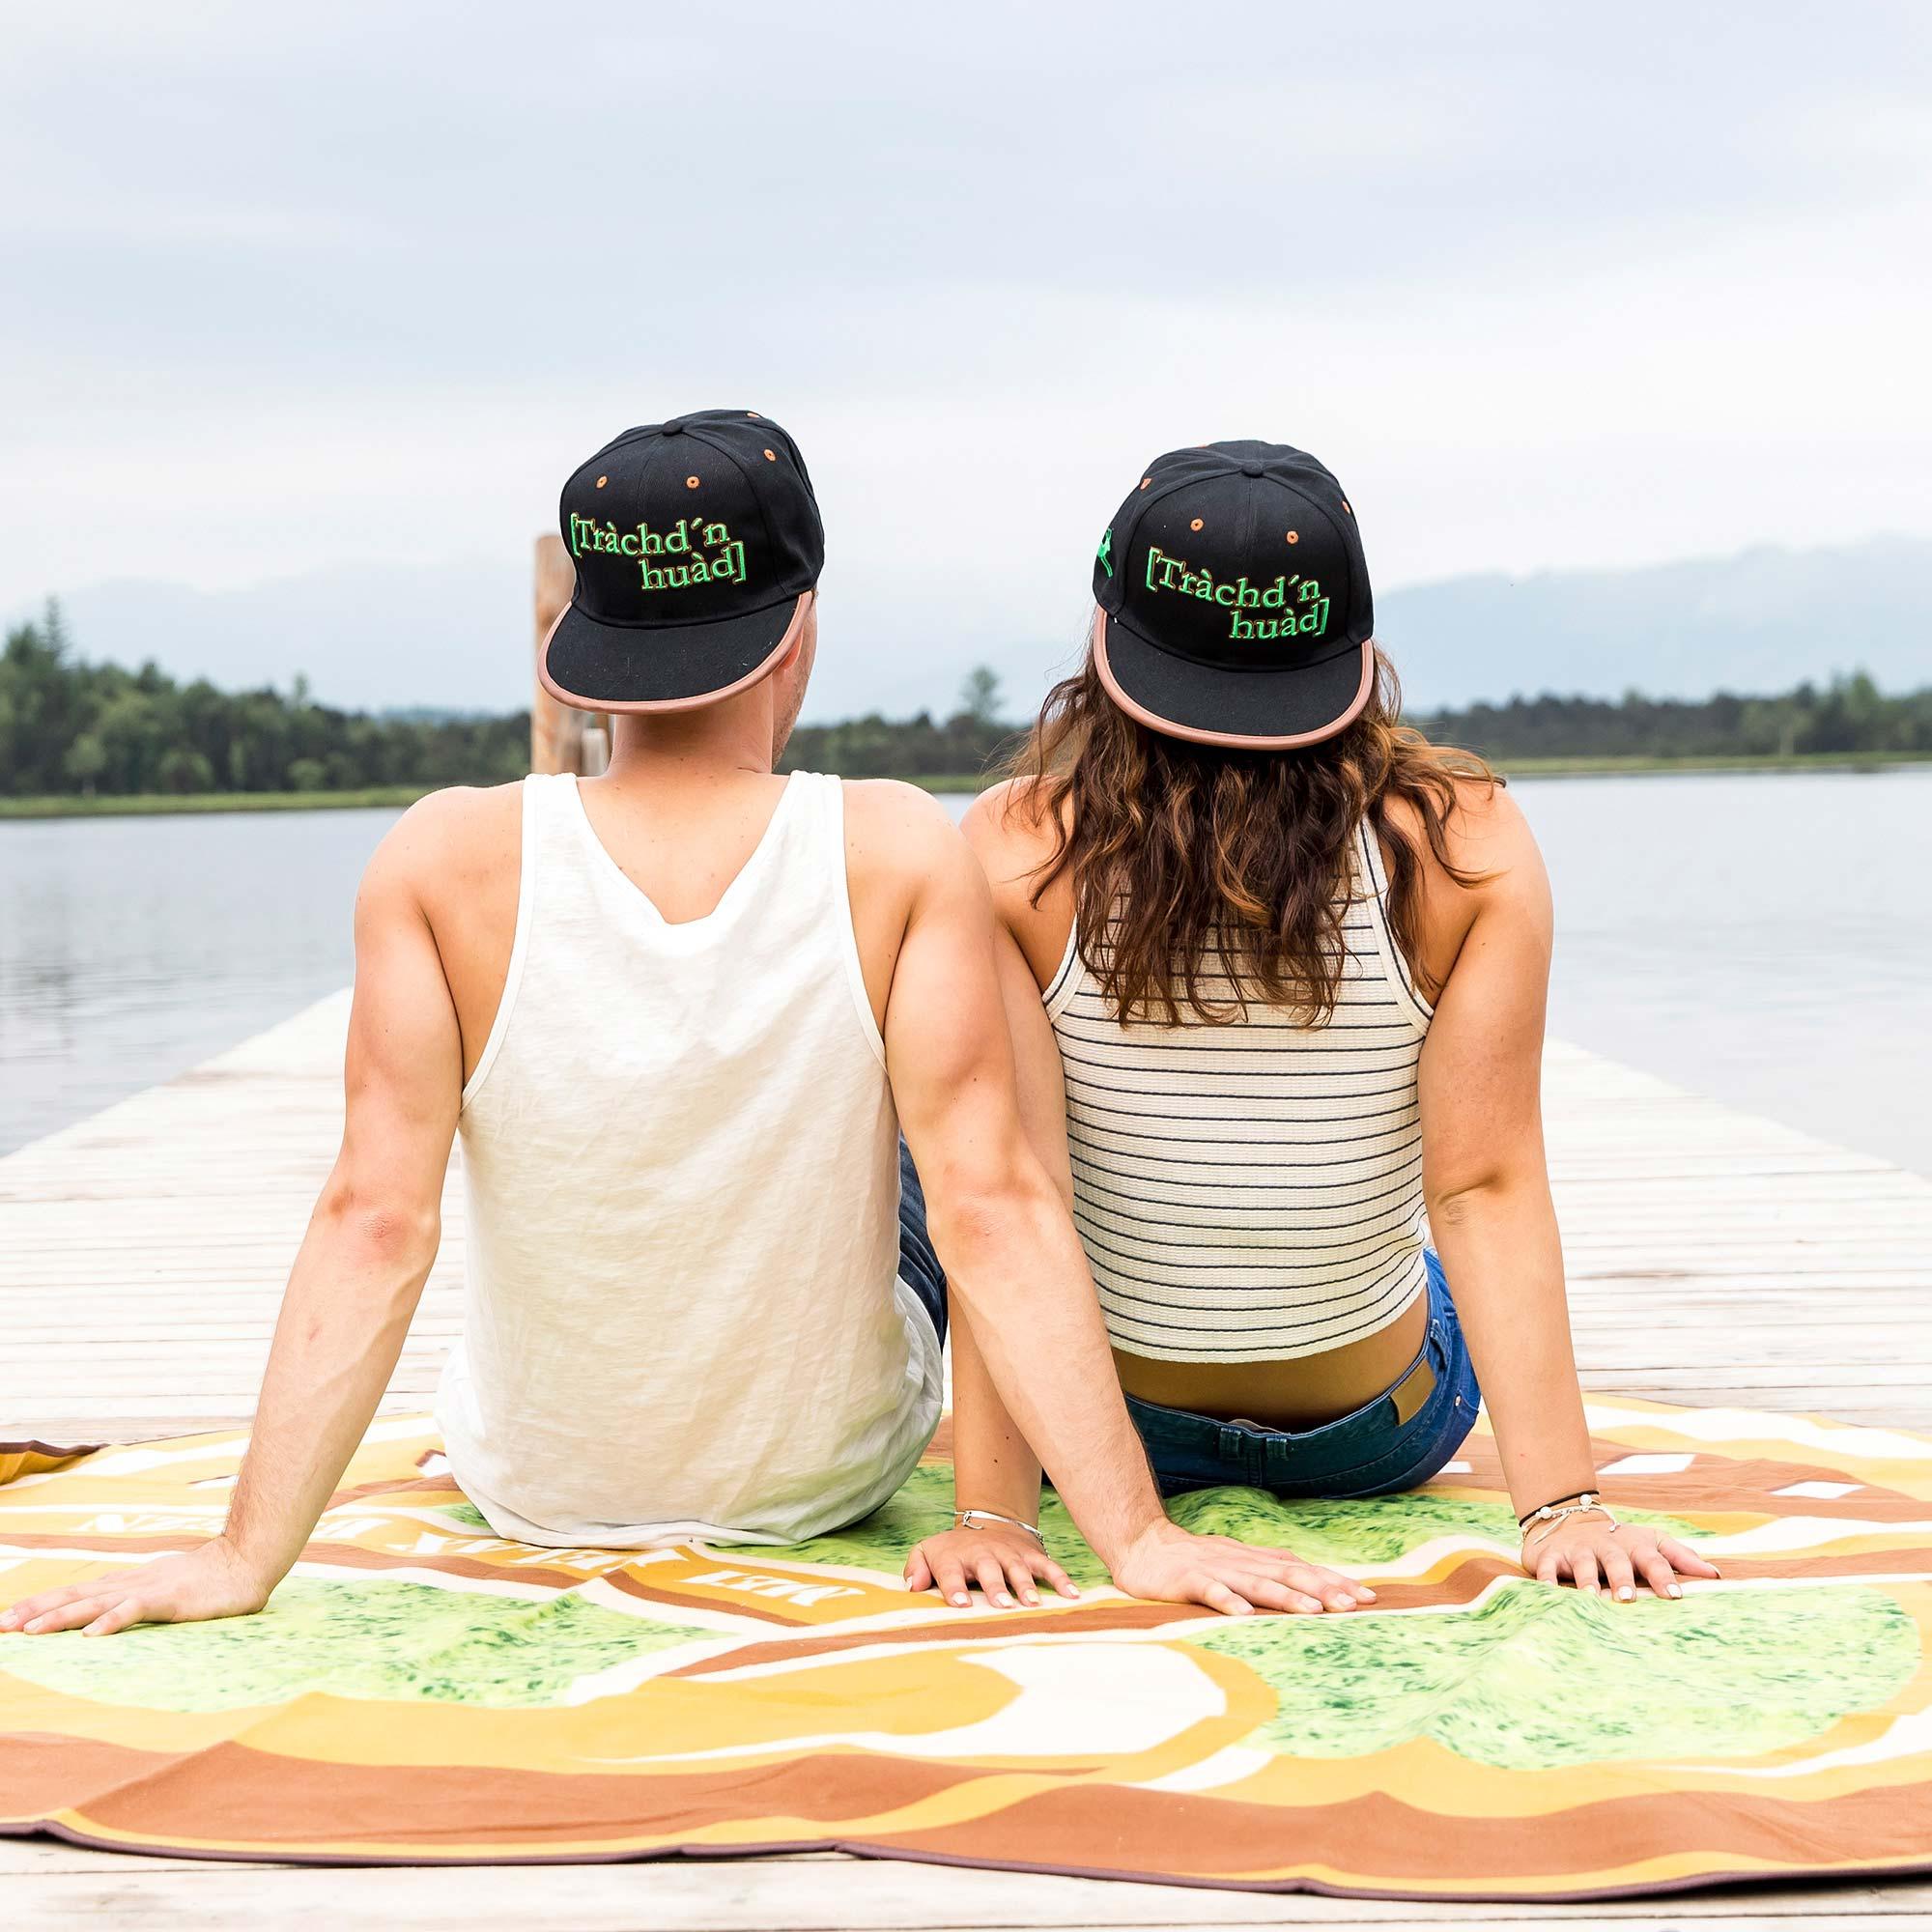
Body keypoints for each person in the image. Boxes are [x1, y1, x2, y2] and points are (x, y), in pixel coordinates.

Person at [2, 411, 1376, 1644]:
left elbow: (375, 1220)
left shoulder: (435, 863)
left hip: (532, 1481)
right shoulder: (894, 848)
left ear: (582, 645)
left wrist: (245, 1554)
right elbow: (993, 1211)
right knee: (952, 1140)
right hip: (826, 1476)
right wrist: (1136, 1536)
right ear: (800, 630)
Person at [909, 439, 1719, 1608]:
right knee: (1423, 1251)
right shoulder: (1463, 844)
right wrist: (1560, 1507)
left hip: (1098, 1430)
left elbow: (1013, 1197)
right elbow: (1480, 1185)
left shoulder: (1012, 848)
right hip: (1374, 1430)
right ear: (1356, 650)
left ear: (1105, 638)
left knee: (953, 1149)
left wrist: (994, 1510)